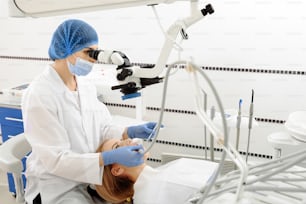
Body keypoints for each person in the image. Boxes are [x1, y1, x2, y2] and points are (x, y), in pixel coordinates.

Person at [21, 19, 157, 204]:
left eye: (95, 52)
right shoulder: (39, 94)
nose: (93, 59)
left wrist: (129, 131)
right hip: (56, 186)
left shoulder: (85, 86)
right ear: (66, 50)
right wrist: (108, 157)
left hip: (90, 179)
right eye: (88, 52)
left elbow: (102, 128)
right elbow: (56, 161)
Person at [95, 138, 219, 204]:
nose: (127, 140)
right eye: (117, 147)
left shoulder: (158, 178)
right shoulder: (150, 196)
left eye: (120, 139)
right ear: (117, 170)